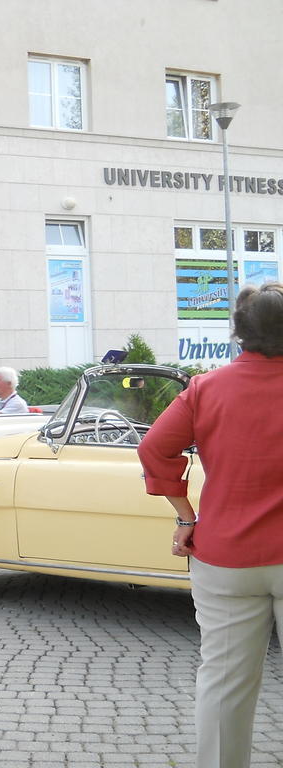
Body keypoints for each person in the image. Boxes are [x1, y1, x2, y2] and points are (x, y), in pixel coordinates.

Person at [138, 282, 283, 768]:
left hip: (225, 554)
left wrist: (185, 515)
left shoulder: (206, 388)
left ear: (239, 334)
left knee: (223, 683)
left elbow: (154, 448)